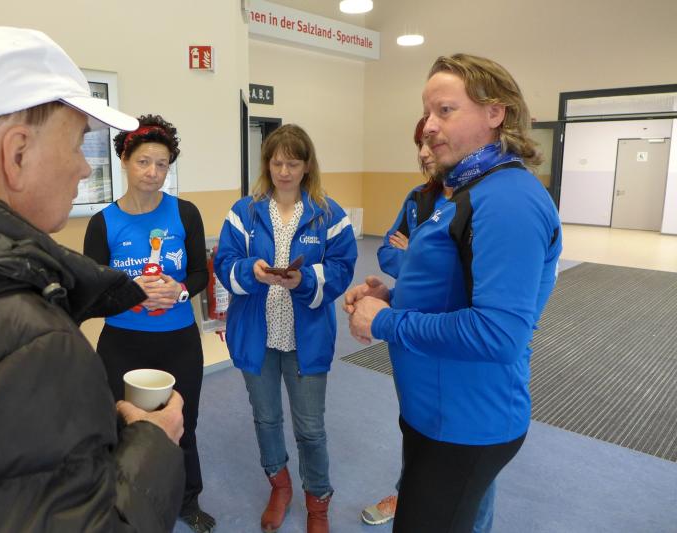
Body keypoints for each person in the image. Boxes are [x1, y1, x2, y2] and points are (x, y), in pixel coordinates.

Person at [0, 26, 186, 533]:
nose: (84, 169)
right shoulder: (27, 344)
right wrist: (153, 445)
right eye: (78, 144)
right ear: (17, 153)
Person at [346, 53, 562, 532]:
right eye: (427, 112)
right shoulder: (465, 191)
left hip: (467, 422)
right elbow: (451, 294)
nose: (428, 126)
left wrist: (384, 320)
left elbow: (498, 334)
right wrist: (392, 297)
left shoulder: (507, 200)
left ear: (495, 112)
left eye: (445, 110)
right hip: (431, 411)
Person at [214, 124, 357, 533]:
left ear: (307, 165)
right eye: (277, 163)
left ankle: (318, 504)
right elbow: (224, 263)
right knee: (266, 419)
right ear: (267, 164)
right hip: (256, 336)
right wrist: (251, 271)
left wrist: (305, 280)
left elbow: (343, 268)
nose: (284, 172)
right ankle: (279, 487)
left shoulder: (329, 214)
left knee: (310, 428)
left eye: (293, 163)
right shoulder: (244, 212)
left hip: (305, 338)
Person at [362, 117, 497, 531]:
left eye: (431, 142)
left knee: (470, 459)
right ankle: (407, 492)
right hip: (414, 347)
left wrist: (417, 258)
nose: (424, 152)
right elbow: (387, 252)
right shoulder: (419, 199)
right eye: (419, 144)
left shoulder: (487, 202)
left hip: (461, 352)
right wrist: (410, 271)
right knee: (418, 430)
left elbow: (473, 289)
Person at [83, 114, 215, 533]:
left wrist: (178, 291)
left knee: (183, 424)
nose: (153, 172)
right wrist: (130, 292)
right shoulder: (103, 223)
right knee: (121, 425)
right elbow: (91, 295)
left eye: (162, 164)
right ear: (124, 160)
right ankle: (123, 505)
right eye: (143, 162)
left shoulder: (185, 214)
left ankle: (188, 500)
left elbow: (200, 273)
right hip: (123, 343)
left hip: (178, 341)